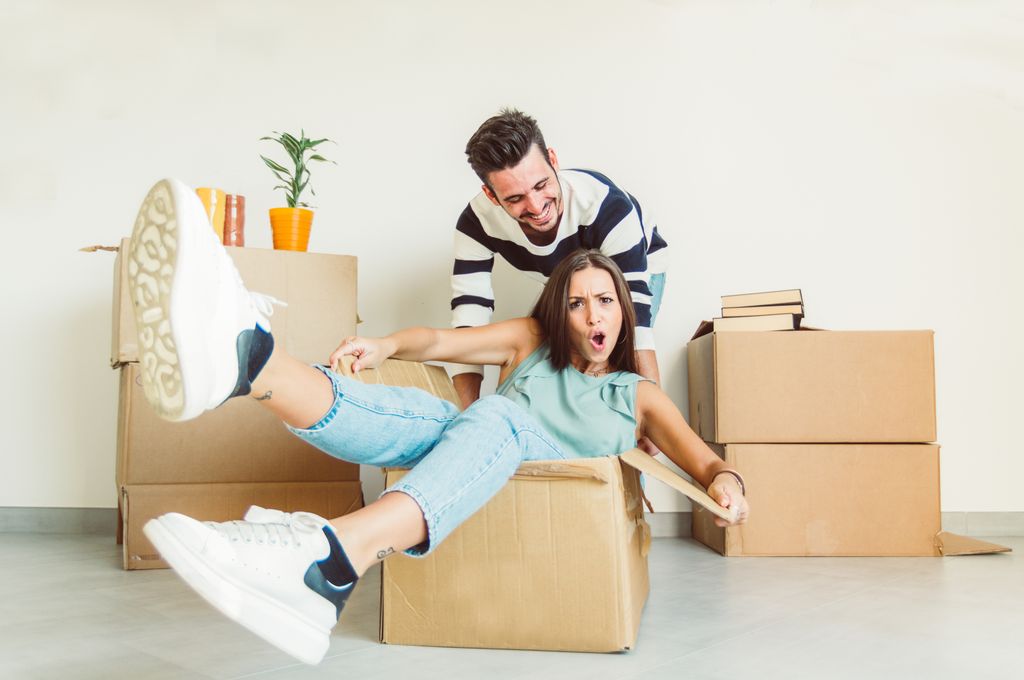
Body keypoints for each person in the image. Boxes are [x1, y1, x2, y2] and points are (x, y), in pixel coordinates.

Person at [127, 179, 746, 666]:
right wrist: (386, 346)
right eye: (577, 302)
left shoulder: (637, 395)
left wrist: (728, 485)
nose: (592, 314)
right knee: (435, 414)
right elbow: (441, 340)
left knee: (492, 413)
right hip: (473, 456)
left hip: (531, 462)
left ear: (623, 311)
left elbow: (706, 464)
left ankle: (332, 559)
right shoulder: (531, 341)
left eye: (605, 300)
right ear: (559, 312)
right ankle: (249, 364)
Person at [451, 108, 669, 420]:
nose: (537, 208)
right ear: (491, 194)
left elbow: (636, 321)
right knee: (538, 371)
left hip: (635, 266)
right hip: (563, 277)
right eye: (515, 199)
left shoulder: (606, 206)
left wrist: (655, 418)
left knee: (608, 373)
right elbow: (468, 318)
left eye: (541, 186)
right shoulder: (476, 223)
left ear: (553, 160)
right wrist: (467, 414)